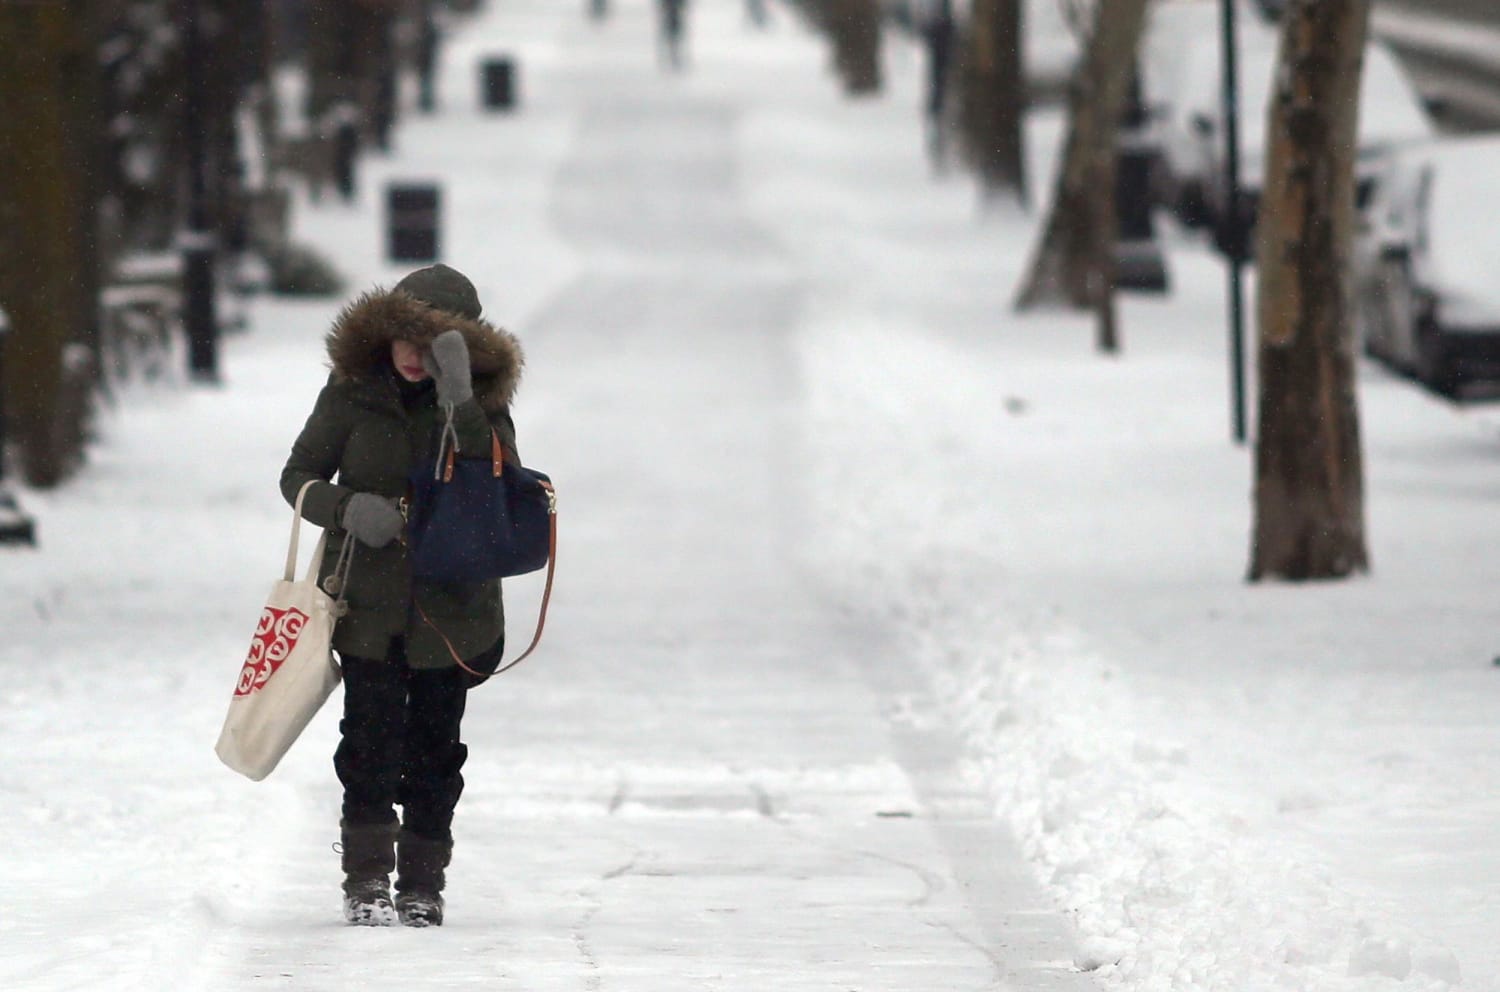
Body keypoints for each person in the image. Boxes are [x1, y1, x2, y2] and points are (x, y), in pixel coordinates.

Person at [280, 263, 524, 927]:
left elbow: (495, 487)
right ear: (384, 335)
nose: (415, 356)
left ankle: (422, 885)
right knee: (368, 745)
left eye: (437, 345)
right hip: (366, 606)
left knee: (435, 751)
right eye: (407, 339)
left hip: (454, 611)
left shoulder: (481, 408)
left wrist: (460, 400)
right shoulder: (351, 393)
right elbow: (298, 475)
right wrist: (348, 505)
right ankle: (364, 880)